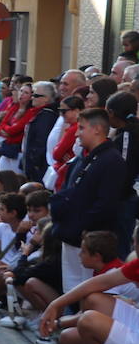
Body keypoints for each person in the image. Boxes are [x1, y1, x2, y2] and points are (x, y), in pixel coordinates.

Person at [50, 108, 127, 295]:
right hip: (72, 233)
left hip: (87, 237)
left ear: (97, 129)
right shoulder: (86, 157)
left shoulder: (112, 160)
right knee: (70, 288)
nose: (76, 133)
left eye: (81, 128)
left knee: (84, 290)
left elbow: (106, 204)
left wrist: (81, 227)